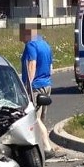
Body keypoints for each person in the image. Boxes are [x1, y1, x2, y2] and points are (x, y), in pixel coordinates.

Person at [20, 25, 55, 157]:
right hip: (47, 84)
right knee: (41, 117)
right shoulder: (45, 44)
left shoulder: (31, 45)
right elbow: (51, 67)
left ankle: (46, 147)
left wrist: (26, 85)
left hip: (35, 85)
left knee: (34, 117)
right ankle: (41, 146)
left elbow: (32, 65)